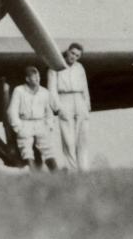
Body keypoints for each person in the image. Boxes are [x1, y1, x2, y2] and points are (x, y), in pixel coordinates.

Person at [47, 43, 90, 172]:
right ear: (67, 51)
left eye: (77, 55)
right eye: (72, 53)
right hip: (64, 99)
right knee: (68, 139)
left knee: (82, 138)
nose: (74, 57)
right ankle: (72, 169)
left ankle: (84, 169)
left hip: (79, 99)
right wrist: (58, 107)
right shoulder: (55, 67)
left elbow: (85, 87)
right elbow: (52, 89)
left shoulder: (80, 67)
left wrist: (87, 105)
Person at [7, 66, 58, 172]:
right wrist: (18, 127)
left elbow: (48, 111)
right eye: (34, 77)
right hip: (25, 122)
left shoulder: (44, 92)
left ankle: (56, 171)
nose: (37, 79)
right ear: (27, 79)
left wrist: (49, 126)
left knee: (47, 147)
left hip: (40, 123)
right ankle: (33, 172)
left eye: (38, 76)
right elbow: (12, 110)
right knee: (26, 148)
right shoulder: (19, 90)